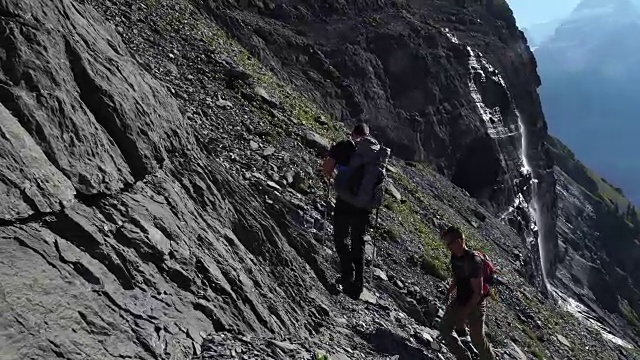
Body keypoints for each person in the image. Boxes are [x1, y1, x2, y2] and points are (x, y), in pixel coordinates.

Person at [321, 122, 374, 300]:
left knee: (340, 237)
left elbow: (327, 169)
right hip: (364, 207)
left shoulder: (344, 146)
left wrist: (338, 181)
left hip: (345, 202)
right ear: (368, 135)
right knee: (358, 242)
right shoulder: (373, 153)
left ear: (352, 133)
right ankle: (358, 286)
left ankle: (347, 275)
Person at [439, 225, 496, 360]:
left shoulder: (473, 261)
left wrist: (464, 314)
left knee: (477, 340)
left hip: (475, 304)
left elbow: (478, 292)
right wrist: (449, 292)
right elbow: (458, 277)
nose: (447, 246)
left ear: (458, 241)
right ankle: (464, 357)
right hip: (461, 298)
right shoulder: (455, 257)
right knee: (444, 328)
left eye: (449, 243)